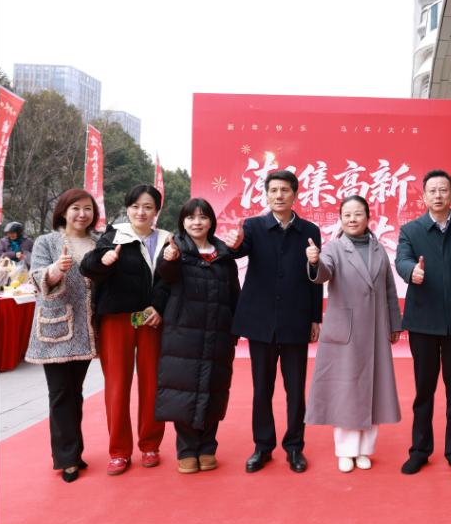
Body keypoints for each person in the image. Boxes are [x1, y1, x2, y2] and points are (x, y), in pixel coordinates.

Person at [225, 169, 323, 474]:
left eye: (284, 190)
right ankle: (263, 447)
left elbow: (315, 276)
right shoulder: (253, 226)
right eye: (273, 190)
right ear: (266, 195)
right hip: (261, 321)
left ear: (295, 194)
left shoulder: (310, 229)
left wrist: (315, 318)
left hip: (296, 319)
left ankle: (294, 447)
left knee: (295, 390)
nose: (278, 195)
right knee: (262, 389)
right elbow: (239, 250)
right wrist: (234, 244)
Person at [394, 169, 451, 478]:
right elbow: (401, 260)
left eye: (443, 190)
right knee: (424, 391)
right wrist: (412, 272)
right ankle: (420, 451)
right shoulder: (411, 230)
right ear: (424, 196)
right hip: (423, 322)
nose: (438, 195)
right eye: (432, 190)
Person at [305, 195, 402, 473]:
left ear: (368, 218)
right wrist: (314, 262)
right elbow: (324, 272)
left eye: (358, 214)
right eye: (346, 214)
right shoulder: (334, 248)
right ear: (340, 219)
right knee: (346, 389)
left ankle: (364, 450)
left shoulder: (379, 248)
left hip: (375, 328)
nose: (352, 219)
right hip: (345, 332)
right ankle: (346, 451)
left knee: (375, 388)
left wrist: (394, 324)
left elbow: (389, 288)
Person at [81, 184, 172, 476]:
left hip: (150, 319)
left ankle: (150, 445)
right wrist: (103, 260)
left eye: (148, 207)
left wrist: (159, 307)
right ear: (127, 208)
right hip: (117, 319)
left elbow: (170, 280)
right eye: (135, 206)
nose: (141, 212)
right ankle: (119, 451)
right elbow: (89, 266)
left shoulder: (168, 240)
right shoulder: (113, 236)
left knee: (152, 384)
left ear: (157, 210)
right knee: (117, 385)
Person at [154, 199, 240, 474]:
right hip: (183, 335)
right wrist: (169, 258)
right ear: (183, 222)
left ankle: (207, 448)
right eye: (191, 217)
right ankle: (188, 450)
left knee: (214, 389)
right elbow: (165, 275)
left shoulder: (224, 256)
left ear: (211, 221)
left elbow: (234, 296)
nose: (197, 222)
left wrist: (235, 330)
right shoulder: (175, 250)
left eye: (203, 217)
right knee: (184, 389)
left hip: (219, 334)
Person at [24, 190, 101, 483]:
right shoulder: (46, 242)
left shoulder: (99, 243)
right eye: (76, 208)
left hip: (86, 330)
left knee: (74, 391)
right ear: (63, 212)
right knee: (59, 392)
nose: (82, 214)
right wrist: (55, 270)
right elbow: (36, 278)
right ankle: (67, 458)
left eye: (88, 208)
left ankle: (73, 451)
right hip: (55, 329)